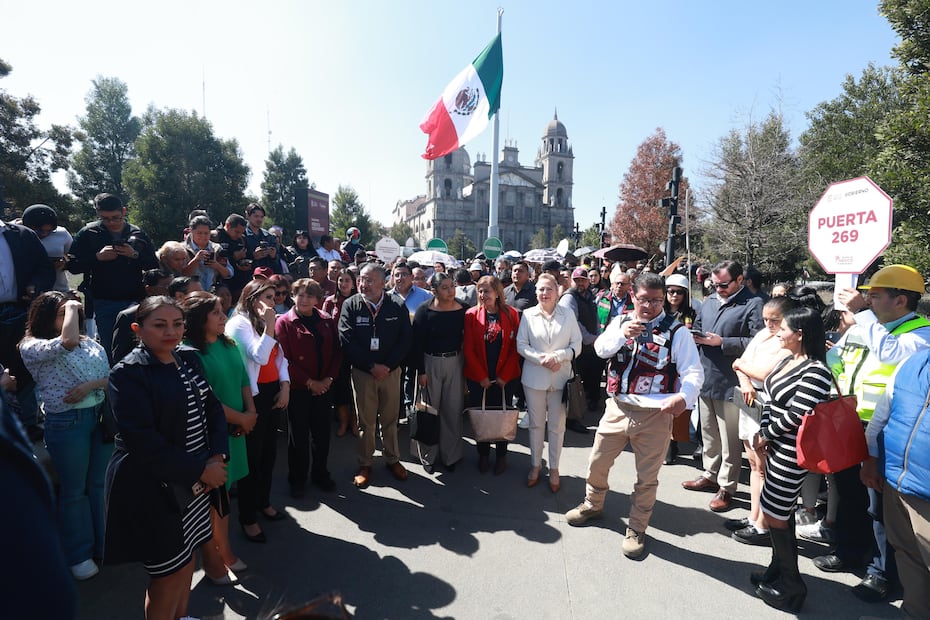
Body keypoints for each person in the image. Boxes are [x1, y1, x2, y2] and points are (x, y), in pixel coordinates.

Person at [104, 296, 229, 620]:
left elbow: (212, 409)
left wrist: (217, 455)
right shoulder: (128, 374)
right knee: (167, 574)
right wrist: (202, 470)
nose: (170, 332)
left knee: (187, 559)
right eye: (159, 325)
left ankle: (181, 616)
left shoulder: (188, 357)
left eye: (177, 324)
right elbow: (144, 443)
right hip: (157, 490)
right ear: (138, 329)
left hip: (195, 487)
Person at [812, 264, 930, 603]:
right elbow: (835, 358)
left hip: (886, 431)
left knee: (881, 507)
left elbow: (889, 354)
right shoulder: (868, 326)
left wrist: (861, 314)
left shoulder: (920, 334)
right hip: (849, 421)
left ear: (901, 300)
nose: (867, 300)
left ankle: (883, 573)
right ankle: (849, 552)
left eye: (875, 296)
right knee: (849, 493)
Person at [565, 272, 703, 559]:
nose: (650, 306)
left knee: (646, 477)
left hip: (655, 413)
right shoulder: (621, 321)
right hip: (618, 406)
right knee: (597, 462)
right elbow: (601, 350)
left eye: (656, 300)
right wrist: (620, 334)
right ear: (633, 297)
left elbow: (693, 372)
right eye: (644, 300)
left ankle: (637, 527)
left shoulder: (677, 331)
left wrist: (682, 397)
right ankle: (593, 503)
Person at [19, 291, 112, 580]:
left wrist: (90, 386)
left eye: (71, 313)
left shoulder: (88, 343)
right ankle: (78, 553)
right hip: (67, 422)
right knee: (74, 492)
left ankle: (104, 544)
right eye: (63, 313)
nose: (72, 317)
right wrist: (72, 302)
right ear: (46, 317)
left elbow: (110, 378)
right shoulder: (32, 345)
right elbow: (67, 342)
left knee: (98, 484)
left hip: (99, 417)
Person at [749, 306, 832, 612]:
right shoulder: (787, 359)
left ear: (799, 334)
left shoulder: (816, 371)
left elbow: (800, 414)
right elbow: (769, 398)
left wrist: (767, 434)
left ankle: (793, 586)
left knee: (776, 512)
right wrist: (766, 432)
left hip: (791, 452)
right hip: (775, 445)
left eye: (783, 328)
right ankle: (777, 569)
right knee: (773, 508)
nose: (777, 332)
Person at [178, 291, 250, 583]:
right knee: (214, 499)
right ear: (199, 319)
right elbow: (208, 400)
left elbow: (243, 378)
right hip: (214, 434)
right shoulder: (190, 353)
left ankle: (221, 549)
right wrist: (242, 418)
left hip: (237, 429)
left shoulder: (227, 343)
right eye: (217, 313)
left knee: (225, 492)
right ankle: (222, 554)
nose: (224, 317)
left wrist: (251, 412)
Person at [682, 260, 763, 513]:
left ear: (740, 280)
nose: (718, 289)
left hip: (734, 382)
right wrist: (693, 333)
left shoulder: (753, 303)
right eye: (714, 284)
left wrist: (723, 342)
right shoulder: (710, 302)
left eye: (724, 284)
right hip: (706, 376)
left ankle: (727, 487)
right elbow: (701, 327)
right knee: (708, 432)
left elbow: (759, 341)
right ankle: (710, 473)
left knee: (730, 438)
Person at [862, 348, 930, 618]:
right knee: (907, 555)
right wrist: (870, 459)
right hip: (896, 480)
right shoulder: (913, 361)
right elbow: (882, 413)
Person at [225, 279, 291, 535]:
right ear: (251, 299)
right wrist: (272, 324)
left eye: (274, 298)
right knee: (251, 457)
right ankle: (248, 516)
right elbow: (260, 355)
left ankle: (263, 502)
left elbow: (279, 357)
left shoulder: (263, 322)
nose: (272, 302)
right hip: (253, 396)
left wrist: (285, 386)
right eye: (266, 297)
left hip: (272, 392)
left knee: (268, 454)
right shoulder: (239, 323)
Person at [728, 296, 795, 545]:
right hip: (750, 399)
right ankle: (753, 515)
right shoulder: (761, 336)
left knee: (765, 466)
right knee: (754, 465)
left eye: (775, 320)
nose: (769, 324)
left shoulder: (787, 342)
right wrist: (744, 378)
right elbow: (742, 365)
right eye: (766, 319)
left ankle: (763, 524)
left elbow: (764, 373)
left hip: (768, 401)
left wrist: (741, 368)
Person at [338, 264, 412, 488]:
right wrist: (371, 366)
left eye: (369, 280)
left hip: (390, 373)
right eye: (361, 279)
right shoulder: (351, 305)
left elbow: (405, 339)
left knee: (390, 420)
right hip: (363, 374)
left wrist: (387, 366)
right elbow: (346, 339)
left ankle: (392, 459)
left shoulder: (397, 305)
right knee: (365, 422)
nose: (363, 284)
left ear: (383, 282)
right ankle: (366, 463)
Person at [68, 193, 159, 361]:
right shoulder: (88, 233)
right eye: (105, 219)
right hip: (104, 301)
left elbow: (154, 265)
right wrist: (97, 258)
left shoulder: (137, 232)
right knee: (111, 349)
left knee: (141, 348)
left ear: (124, 211)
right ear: (98, 214)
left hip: (135, 300)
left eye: (116, 218)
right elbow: (72, 266)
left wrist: (134, 255)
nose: (111, 223)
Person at [276, 278, 341, 497]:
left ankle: (320, 473)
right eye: (300, 294)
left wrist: (328, 380)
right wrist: (310, 382)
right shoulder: (284, 322)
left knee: (322, 435)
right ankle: (297, 478)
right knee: (299, 437)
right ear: (293, 296)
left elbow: (336, 352)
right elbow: (284, 358)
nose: (304, 299)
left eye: (309, 295)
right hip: (299, 389)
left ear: (317, 299)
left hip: (324, 388)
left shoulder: (326, 319)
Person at [517, 273, 582, 491]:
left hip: (561, 379)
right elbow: (521, 345)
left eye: (549, 289)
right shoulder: (527, 315)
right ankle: (535, 465)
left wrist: (560, 356)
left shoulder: (568, 315)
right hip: (534, 377)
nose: (545, 293)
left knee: (557, 426)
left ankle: (554, 468)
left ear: (557, 291)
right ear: (536, 292)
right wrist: (541, 359)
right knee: (535, 425)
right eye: (541, 289)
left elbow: (577, 345)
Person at [0, 215, 56, 436]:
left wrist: (36, 286)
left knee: (23, 366)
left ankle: (27, 422)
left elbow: (45, 269)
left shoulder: (23, 235)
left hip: (19, 311)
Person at [463, 275, 522, 475]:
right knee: (483, 416)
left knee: (501, 417)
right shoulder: (471, 314)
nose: (482, 295)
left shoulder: (512, 314)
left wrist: (504, 376)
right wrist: (481, 377)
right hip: (479, 378)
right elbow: (468, 349)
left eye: (486, 291)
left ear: (497, 292)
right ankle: (483, 455)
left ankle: (501, 456)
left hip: (506, 377)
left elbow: (516, 348)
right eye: (480, 291)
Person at [411, 272, 466, 472]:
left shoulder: (463, 309)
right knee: (429, 411)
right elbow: (416, 344)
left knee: (452, 410)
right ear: (433, 290)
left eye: (452, 286)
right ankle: (427, 455)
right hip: (430, 363)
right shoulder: (424, 311)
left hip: (455, 363)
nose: (450, 290)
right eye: (444, 287)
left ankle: (451, 456)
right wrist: (421, 371)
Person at [558, 266, 601, 432]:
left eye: (583, 280)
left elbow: (595, 318)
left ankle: (585, 408)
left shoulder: (590, 296)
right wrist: (591, 338)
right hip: (575, 348)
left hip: (590, 346)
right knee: (573, 385)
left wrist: (597, 336)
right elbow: (574, 324)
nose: (580, 283)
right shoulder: (569, 298)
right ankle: (570, 419)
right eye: (577, 280)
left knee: (591, 378)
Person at [110, 269, 173, 367]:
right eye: (167, 287)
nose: (171, 291)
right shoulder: (130, 316)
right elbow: (120, 355)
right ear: (149, 289)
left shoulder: (178, 312)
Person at [323, 270, 358, 437]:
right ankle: (344, 422)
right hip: (337, 352)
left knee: (356, 389)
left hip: (357, 351)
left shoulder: (360, 300)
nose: (343, 284)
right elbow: (325, 326)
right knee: (341, 389)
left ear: (353, 283)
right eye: (340, 280)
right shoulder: (330, 302)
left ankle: (355, 422)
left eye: (347, 280)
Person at [21, 203, 72, 292]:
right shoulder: (14, 234)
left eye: (49, 231)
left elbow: (74, 257)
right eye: (39, 231)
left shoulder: (62, 234)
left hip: (58, 290)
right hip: (25, 291)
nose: (44, 234)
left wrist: (65, 263)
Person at [182, 215, 231, 292]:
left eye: (206, 233)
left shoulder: (217, 248)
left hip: (212, 294)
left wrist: (216, 265)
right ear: (191, 231)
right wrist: (195, 260)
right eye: (199, 233)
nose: (203, 236)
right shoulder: (182, 249)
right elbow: (180, 275)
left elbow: (228, 274)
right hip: (191, 294)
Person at [243, 203, 281, 274]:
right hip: (247, 276)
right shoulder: (241, 235)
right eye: (256, 216)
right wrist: (253, 256)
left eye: (261, 217)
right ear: (248, 216)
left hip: (267, 275)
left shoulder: (269, 237)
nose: (259, 219)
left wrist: (273, 256)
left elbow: (278, 261)